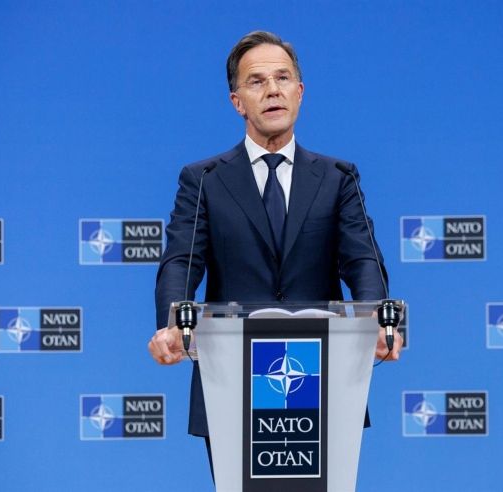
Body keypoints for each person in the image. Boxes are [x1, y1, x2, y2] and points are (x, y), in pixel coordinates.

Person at [148, 29, 402, 462]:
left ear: (300, 92)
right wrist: (173, 323)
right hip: (232, 377)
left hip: (321, 374)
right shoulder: (205, 179)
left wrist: (376, 318)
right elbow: (180, 261)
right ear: (237, 101)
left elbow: (362, 259)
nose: (272, 90)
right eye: (257, 81)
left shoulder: (338, 178)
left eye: (283, 78)